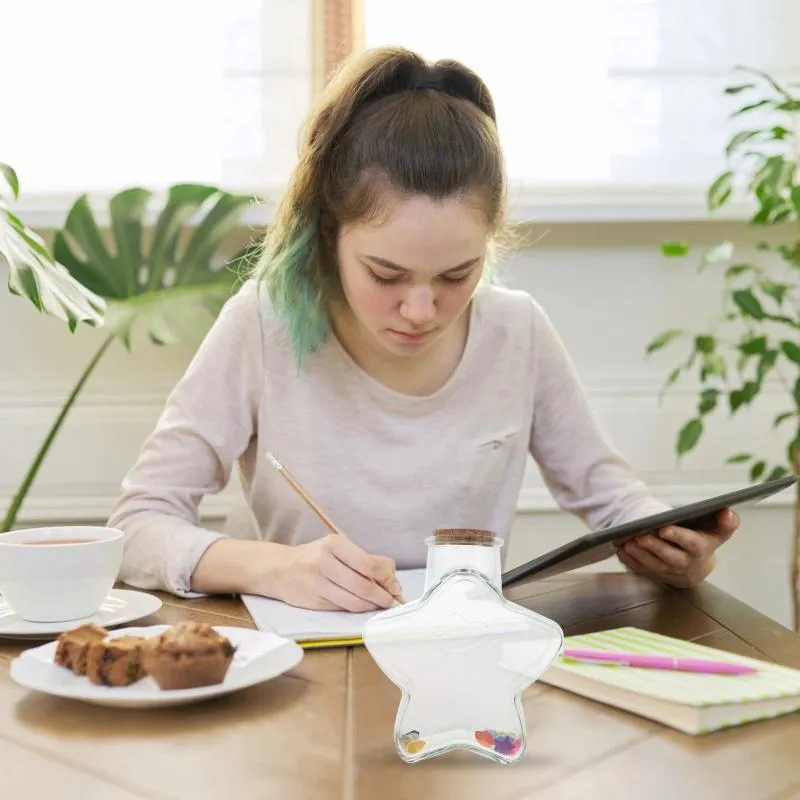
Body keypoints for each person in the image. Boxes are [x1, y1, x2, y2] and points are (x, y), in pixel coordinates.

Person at [108, 46, 739, 612]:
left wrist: (678, 547)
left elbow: (616, 502)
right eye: (385, 275)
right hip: (298, 674)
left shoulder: (516, 331)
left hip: (464, 659)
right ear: (330, 235)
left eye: (456, 275)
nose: (421, 310)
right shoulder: (260, 324)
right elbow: (138, 526)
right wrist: (277, 568)